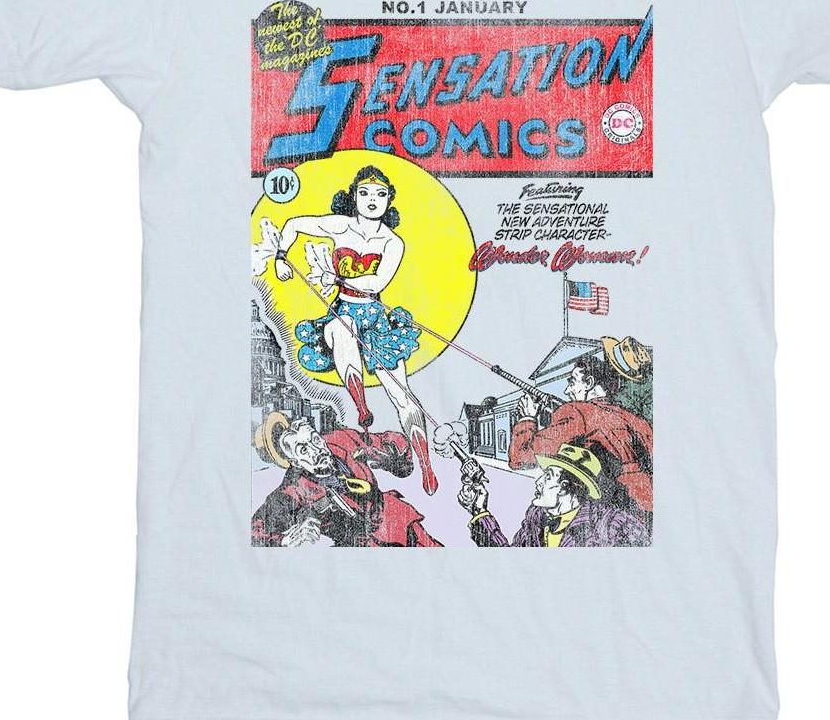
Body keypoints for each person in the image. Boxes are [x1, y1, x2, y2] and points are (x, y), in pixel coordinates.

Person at [253, 163, 438, 496]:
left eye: (380, 194)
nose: (372, 199)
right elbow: (294, 224)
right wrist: (281, 256)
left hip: (377, 320)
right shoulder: (340, 226)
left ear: (389, 200)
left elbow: (377, 282)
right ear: (353, 197)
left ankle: (425, 464)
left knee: (403, 396)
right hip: (342, 313)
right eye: (364, 193)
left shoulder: (392, 242)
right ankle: (362, 407)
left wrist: (334, 277)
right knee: (342, 328)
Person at [250, 412, 439, 548]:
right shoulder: (293, 489)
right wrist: (286, 540)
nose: (317, 450)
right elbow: (254, 532)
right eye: (304, 450)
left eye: (315, 440)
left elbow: (394, 442)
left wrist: (383, 455)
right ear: (295, 462)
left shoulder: (341, 438)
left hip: (397, 519)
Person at [509, 353, 654, 522]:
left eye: (572, 382)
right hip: (646, 507)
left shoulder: (576, 411)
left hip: (610, 511)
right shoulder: (637, 420)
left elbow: (520, 458)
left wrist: (527, 418)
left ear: (589, 383)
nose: (567, 391)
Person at [457, 442, 649, 548]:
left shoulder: (613, 524)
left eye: (548, 476)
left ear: (565, 487)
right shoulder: (536, 516)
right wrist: (479, 511)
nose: (538, 481)